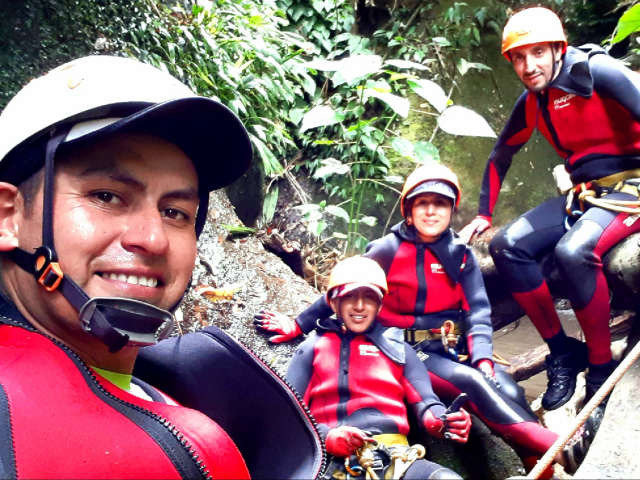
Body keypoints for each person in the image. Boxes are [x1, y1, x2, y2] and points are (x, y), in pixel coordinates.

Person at [0, 55, 256, 478]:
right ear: (8, 215)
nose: (152, 239)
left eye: (175, 212)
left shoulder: (177, 391)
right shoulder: (190, 452)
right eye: (106, 196)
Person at [256, 164, 574, 476]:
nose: (431, 212)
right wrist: (298, 324)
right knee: (474, 384)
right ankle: (561, 448)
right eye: (423, 203)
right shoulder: (387, 249)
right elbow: (349, 286)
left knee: (508, 388)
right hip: (406, 348)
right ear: (408, 209)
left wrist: (483, 359)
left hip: (450, 349)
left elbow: (477, 312)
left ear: (452, 209)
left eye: (440, 203)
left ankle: (538, 468)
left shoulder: (460, 254)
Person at [458, 6, 640, 435]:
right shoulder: (534, 100)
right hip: (588, 193)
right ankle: (562, 351)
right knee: (507, 246)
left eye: (537, 53)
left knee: (573, 252)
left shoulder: (599, 72)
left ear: (558, 49)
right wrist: (484, 214)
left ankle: (598, 372)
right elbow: (501, 154)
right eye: (519, 57)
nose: (528, 65)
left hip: (633, 188)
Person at [287, 256, 469, 480]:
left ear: (380, 305)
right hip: (332, 462)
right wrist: (327, 437)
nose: (360, 306)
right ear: (334, 303)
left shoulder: (399, 350)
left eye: (369, 298)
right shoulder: (311, 349)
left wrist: (446, 421)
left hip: (398, 459)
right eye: (350, 297)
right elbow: (287, 418)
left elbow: (428, 405)